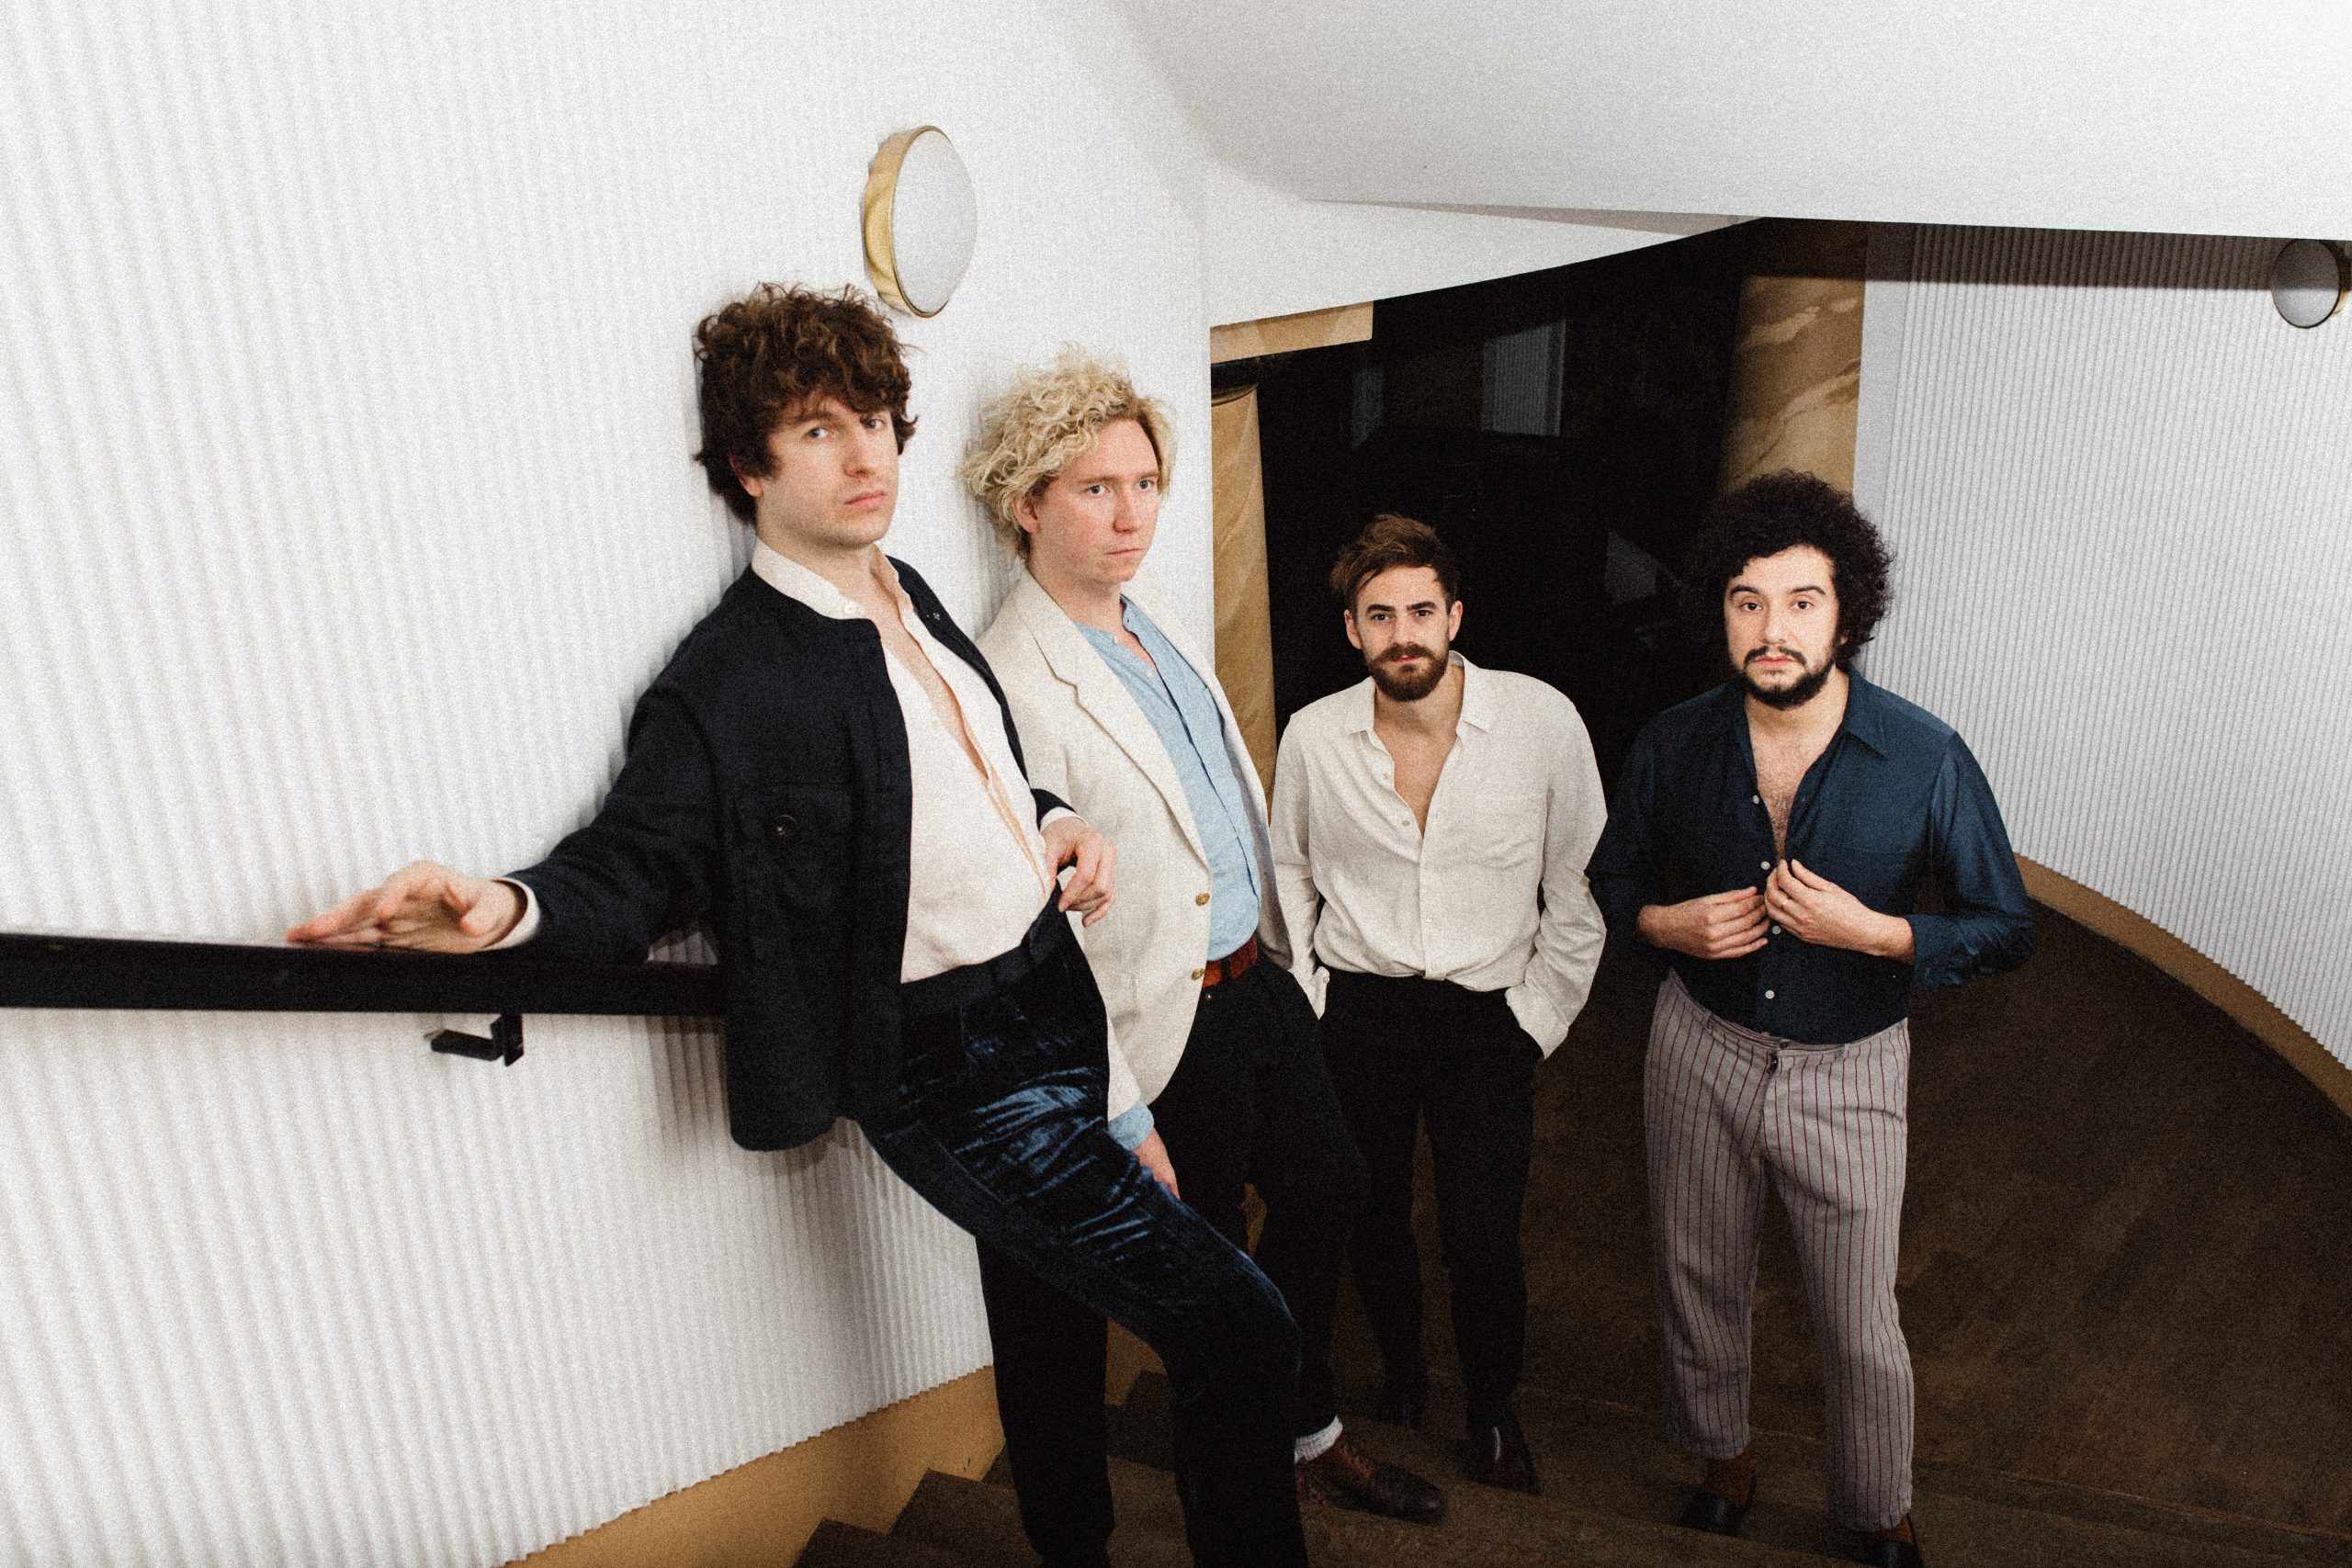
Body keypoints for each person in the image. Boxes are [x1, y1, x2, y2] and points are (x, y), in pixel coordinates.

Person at [288, 285, 1308, 1567]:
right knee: (1240, 1324)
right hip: (955, 1067)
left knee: (1067, 1318)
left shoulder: (909, 587)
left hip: (1058, 995)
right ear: (748, 466)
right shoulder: (734, 674)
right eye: (821, 429)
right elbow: (640, 861)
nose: (868, 453)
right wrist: (510, 907)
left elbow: (970, 770)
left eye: (876, 419)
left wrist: (1051, 819)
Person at [966, 354, 1444, 1560]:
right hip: (1157, 1023)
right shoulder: (1008, 676)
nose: (1131, 514)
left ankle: (1301, 1422)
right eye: (1095, 488)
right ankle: (1243, 1511)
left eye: (1145, 483)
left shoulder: (1152, 616)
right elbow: (1030, 905)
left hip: (1252, 976)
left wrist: (1284, 957)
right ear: (1026, 503)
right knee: (1214, 1308)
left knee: (1331, 1185)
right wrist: (1111, 1101)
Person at [1586, 471, 2031, 1568]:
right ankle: (1722, 1464)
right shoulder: (1672, 742)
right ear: (1719, 612)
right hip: (1698, 1046)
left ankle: (1878, 1511)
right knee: (1696, 1276)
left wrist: (1879, 935)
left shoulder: (1924, 756)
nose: (1771, 628)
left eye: (1799, 601)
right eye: (1747, 602)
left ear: (1847, 614)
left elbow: (2004, 927)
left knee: (1856, 1316)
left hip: (1852, 1066)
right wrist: (1662, 923)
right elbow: (1611, 879)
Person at [1269, 513, 1608, 1495]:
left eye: (1421, 611)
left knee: (1482, 1236)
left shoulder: (1542, 722)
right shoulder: (1313, 736)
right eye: (1380, 616)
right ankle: (1404, 1373)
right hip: (1357, 1013)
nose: (1403, 634)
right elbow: (1288, 876)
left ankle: (1493, 1411)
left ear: (1456, 615)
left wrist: (1535, 1019)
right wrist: (1312, 1000)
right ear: (1351, 630)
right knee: (1370, 1214)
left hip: (1486, 1019)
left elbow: (1580, 886)